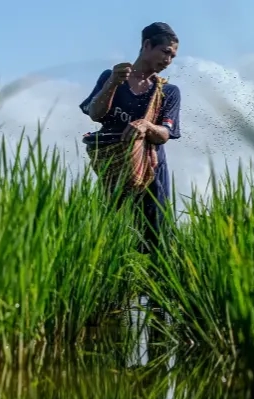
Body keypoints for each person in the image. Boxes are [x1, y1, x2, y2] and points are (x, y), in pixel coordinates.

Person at [79, 22, 182, 254]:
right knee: (115, 231)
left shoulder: (168, 91)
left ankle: (154, 287)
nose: (168, 60)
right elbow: (95, 114)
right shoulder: (111, 77)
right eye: (165, 52)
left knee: (156, 235)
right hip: (114, 168)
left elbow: (165, 134)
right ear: (147, 45)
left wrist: (146, 125)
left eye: (173, 56)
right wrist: (112, 84)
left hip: (151, 172)